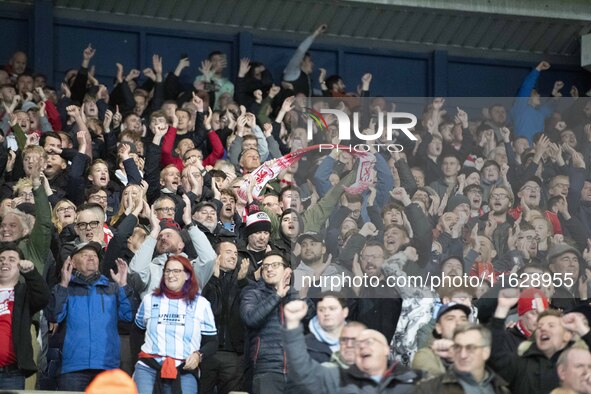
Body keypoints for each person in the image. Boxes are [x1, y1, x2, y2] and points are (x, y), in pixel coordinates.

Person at [283, 299, 423, 394]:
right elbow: (301, 369)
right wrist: (292, 324)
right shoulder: (332, 375)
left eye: (358, 340)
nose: (350, 345)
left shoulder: (410, 379)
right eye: (344, 340)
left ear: (385, 349)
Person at [46, 242, 133, 391]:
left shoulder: (112, 288)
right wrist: (63, 285)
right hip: (73, 368)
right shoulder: (64, 288)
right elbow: (54, 316)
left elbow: (128, 316)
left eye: (94, 255)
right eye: (85, 255)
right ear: (72, 262)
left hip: (107, 366)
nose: (91, 258)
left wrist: (123, 285)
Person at [134, 255, 218, 393]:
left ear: (187, 275)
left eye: (176, 271)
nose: (170, 275)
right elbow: (136, 331)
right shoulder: (150, 300)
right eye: (167, 271)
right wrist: (138, 358)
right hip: (148, 368)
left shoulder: (201, 304)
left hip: (184, 369)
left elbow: (212, 342)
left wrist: (198, 355)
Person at [488, 288, 591, 394]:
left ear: (566, 335)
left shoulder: (577, 361)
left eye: (551, 325)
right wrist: (502, 309)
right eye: (540, 326)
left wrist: (582, 330)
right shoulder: (522, 363)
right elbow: (495, 357)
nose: (543, 328)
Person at [240, 251, 312, 393]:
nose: (269, 269)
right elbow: (250, 319)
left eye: (275, 265)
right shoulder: (252, 293)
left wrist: (301, 297)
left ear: (287, 271)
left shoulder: (296, 294)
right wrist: (277, 294)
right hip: (267, 369)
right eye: (265, 267)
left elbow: (312, 321)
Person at [0, 243, 50, 390]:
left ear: (20, 265)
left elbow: (43, 297)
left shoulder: (23, 293)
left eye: (11, 259)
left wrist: (31, 273)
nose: (4, 262)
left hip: (11, 373)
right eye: (1, 259)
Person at [413, 323, 511, 394]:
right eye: (457, 347)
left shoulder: (501, 389)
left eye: (470, 348)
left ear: (486, 352)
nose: (463, 355)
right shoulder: (429, 389)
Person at [412, 302, 471, 377]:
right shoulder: (425, 355)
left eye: (463, 319)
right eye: (450, 319)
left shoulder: (477, 352)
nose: (458, 323)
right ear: (439, 328)